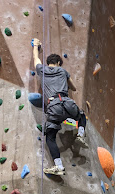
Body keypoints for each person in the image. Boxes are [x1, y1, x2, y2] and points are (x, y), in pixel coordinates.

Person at [32, 38, 88, 176]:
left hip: (54, 107)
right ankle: (80, 134)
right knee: (81, 115)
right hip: (67, 103)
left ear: (49, 62)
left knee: (50, 137)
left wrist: (36, 46)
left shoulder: (42, 69)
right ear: (58, 63)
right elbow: (73, 88)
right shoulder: (63, 71)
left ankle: (58, 166)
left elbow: (35, 58)